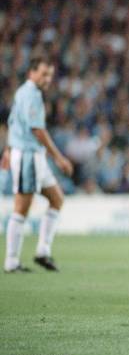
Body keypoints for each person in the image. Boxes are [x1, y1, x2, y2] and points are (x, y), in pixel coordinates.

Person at [3, 56, 73, 273]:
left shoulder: (24, 92)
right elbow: (36, 130)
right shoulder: (31, 95)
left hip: (32, 155)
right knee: (21, 208)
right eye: (43, 74)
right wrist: (59, 157)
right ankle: (11, 261)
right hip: (28, 156)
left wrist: (7, 149)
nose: (47, 79)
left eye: (50, 75)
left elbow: (13, 121)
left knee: (56, 198)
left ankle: (43, 251)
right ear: (31, 72)